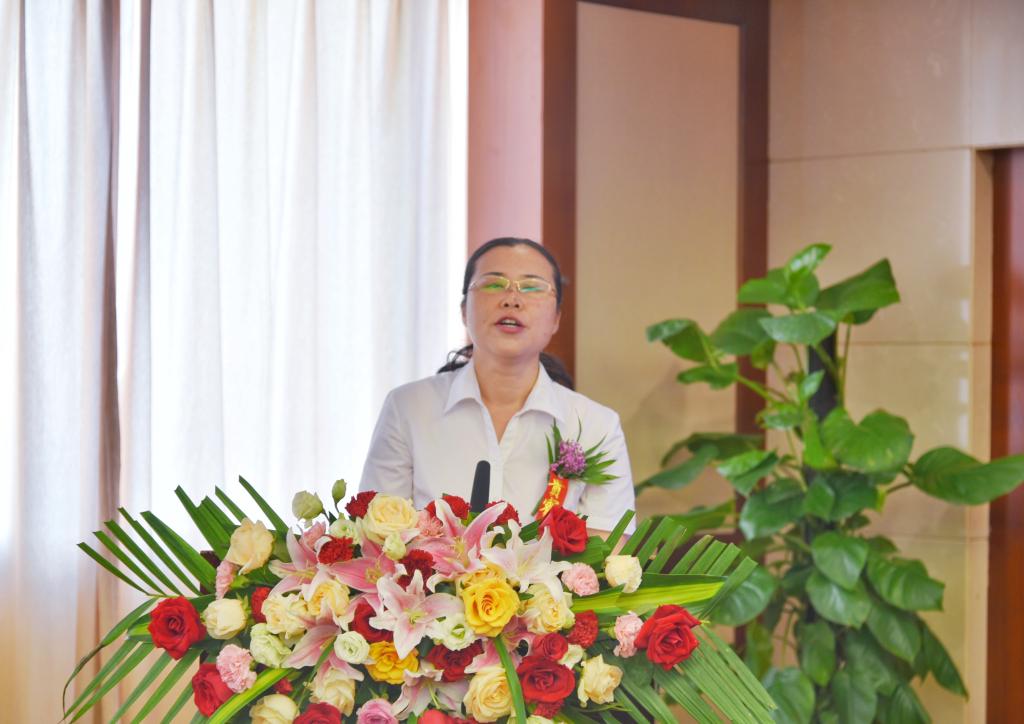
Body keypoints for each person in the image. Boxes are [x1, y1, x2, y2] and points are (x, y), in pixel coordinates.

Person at [358, 237, 636, 535]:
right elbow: (376, 536)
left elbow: (608, 551)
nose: (512, 299)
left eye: (532, 287)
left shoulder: (596, 426)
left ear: (556, 318)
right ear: (464, 310)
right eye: (493, 284)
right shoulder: (408, 408)